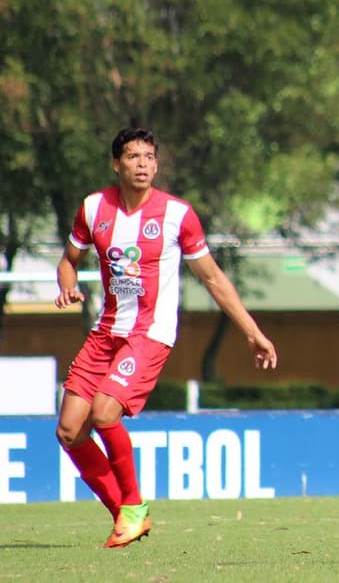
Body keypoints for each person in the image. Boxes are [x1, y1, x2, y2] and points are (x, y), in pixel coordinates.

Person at [54, 127, 278, 549]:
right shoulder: (92, 208)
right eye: (133, 156)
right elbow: (68, 261)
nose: (142, 164)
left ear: (156, 165)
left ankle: (134, 507)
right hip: (107, 331)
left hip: (149, 333)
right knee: (69, 431)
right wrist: (67, 285)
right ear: (116, 163)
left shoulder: (176, 215)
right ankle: (125, 514)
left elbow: (211, 277)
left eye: (149, 157)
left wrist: (252, 332)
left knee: (104, 413)